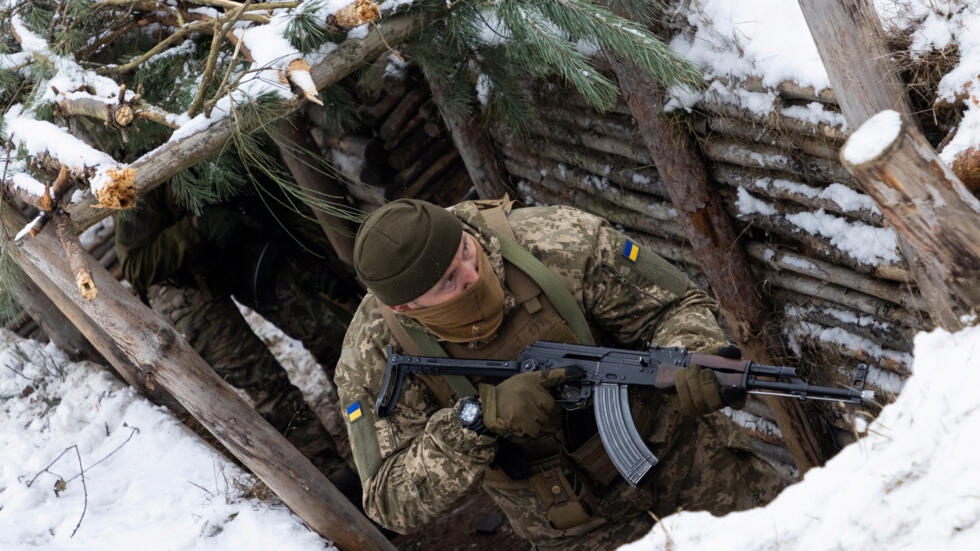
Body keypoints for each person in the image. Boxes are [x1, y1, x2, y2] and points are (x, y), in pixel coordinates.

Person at [335, 197, 789, 550]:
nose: (472, 275)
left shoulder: (557, 241)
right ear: (404, 307)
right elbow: (388, 501)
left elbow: (674, 305)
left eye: (466, 253)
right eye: (448, 282)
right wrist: (474, 421)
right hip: (575, 529)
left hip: (689, 460)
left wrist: (693, 355)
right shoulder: (375, 354)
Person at [115, 182, 364, 504]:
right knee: (268, 385)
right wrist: (194, 229)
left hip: (238, 254)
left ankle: (368, 434)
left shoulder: (210, 165)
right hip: (184, 289)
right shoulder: (138, 178)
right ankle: (336, 487)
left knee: (327, 337)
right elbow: (136, 266)